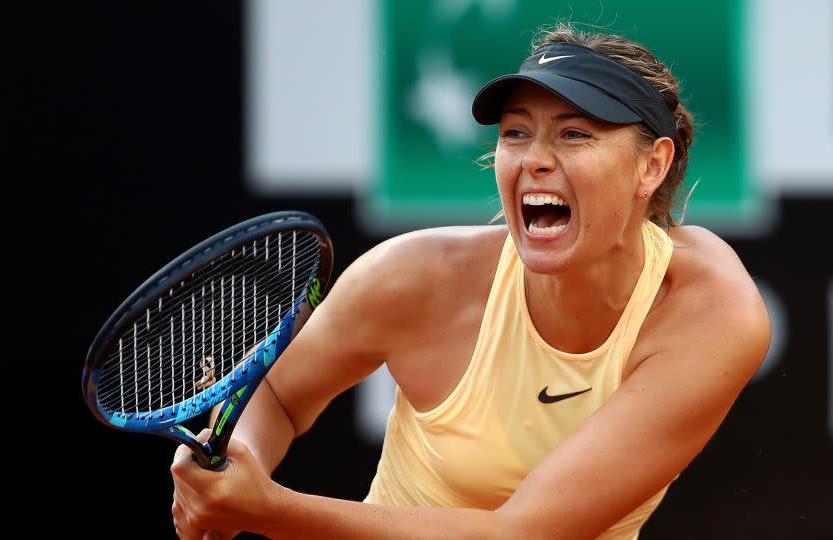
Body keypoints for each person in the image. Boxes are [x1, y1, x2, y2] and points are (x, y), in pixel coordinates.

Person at [171, 22, 771, 540]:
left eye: (574, 134)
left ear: (652, 165)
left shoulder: (708, 312)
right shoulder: (412, 276)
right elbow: (277, 394)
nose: (534, 157)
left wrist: (267, 509)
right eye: (516, 132)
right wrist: (236, 462)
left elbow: (523, 532)